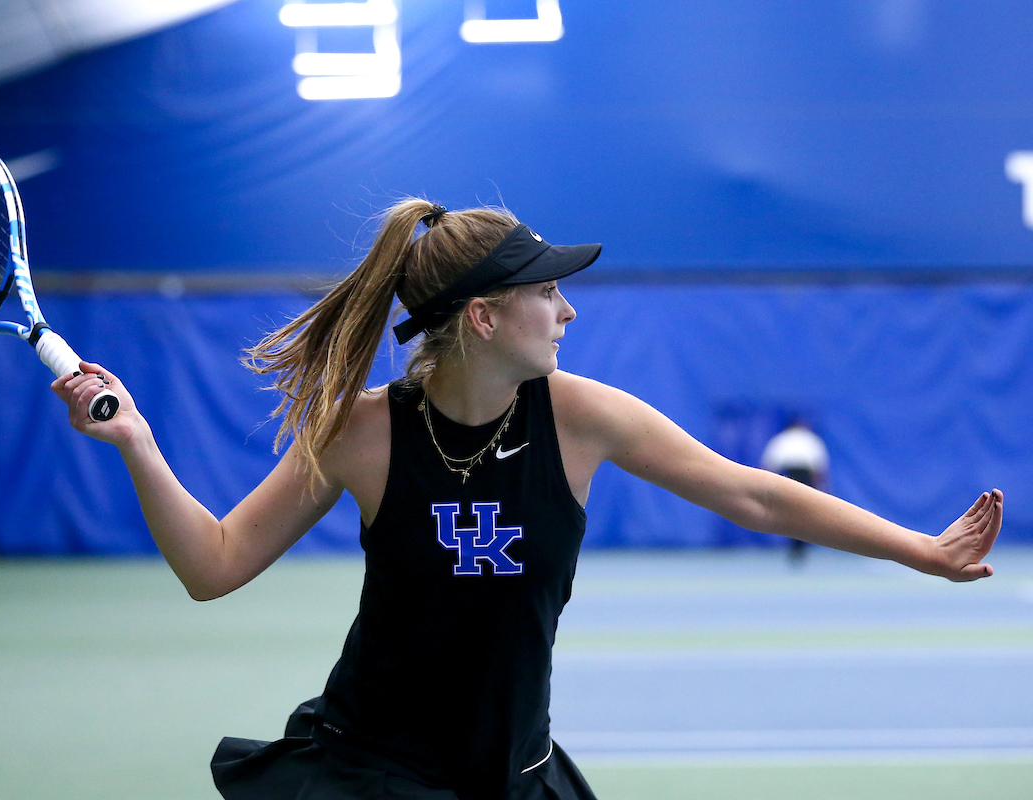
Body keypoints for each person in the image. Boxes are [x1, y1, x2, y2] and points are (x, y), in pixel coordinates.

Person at [53, 199, 1002, 800]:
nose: (569, 311)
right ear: (485, 315)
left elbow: (754, 497)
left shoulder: (581, 417)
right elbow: (214, 565)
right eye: (550, 293)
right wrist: (137, 441)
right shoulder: (363, 431)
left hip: (516, 772)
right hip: (374, 774)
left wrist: (918, 549)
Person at [760, 416, 830, 564]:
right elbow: (819, 467)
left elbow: (770, 464)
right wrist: (821, 485)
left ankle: (798, 546)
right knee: (800, 513)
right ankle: (797, 547)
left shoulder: (784, 439)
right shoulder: (807, 439)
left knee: (795, 513)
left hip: (791, 477)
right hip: (797, 476)